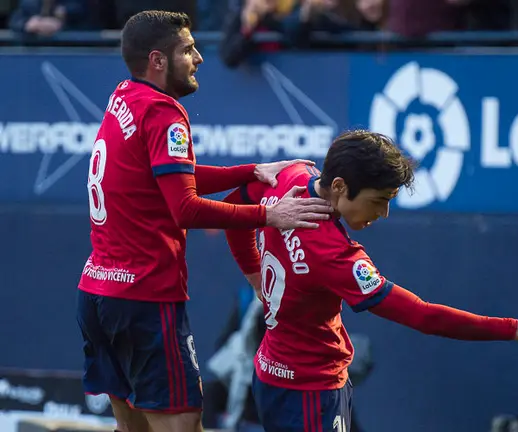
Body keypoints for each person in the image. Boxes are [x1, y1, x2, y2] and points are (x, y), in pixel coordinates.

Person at [222, 130, 518, 431]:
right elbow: (422, 315)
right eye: (378, 200)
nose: (384, 213)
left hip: (269, 375)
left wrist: (255, 276)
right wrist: (513, 329)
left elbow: (234, 212)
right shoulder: (337, 256)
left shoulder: (289, 176)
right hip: (312, 391)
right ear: (338, 185)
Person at [75, 10, 334, 432]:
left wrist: (249, 171)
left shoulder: (125, 95)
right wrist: (270, 214)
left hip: (98, 293)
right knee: (183, 425)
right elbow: (186, 208)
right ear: (158, 60)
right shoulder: (163, 111)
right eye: (188, 50)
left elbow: (167, 178)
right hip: (145, 299)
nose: (199, 58)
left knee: (132, 428)